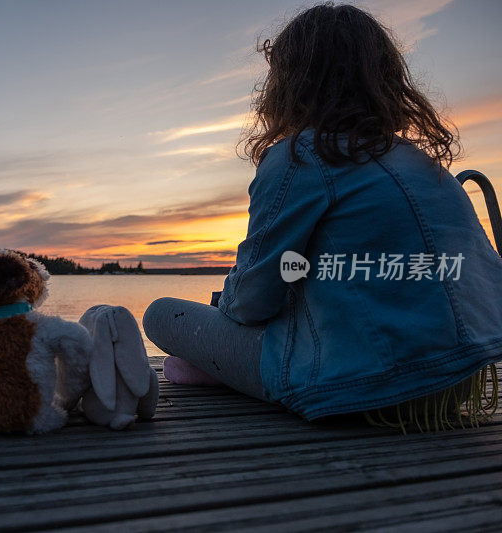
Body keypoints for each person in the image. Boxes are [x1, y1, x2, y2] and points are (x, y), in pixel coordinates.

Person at [143, 2, 502, 431]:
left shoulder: (301, 156)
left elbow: (252, 302)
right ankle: (218, 367)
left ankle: (221, 369)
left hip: (367, 387)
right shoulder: (424, 163)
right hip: (458, 381)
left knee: (161, 314)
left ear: (289, 82)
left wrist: (228, 308)